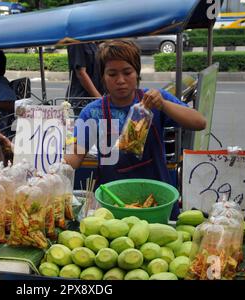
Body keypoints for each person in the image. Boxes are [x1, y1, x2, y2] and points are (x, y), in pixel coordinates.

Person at [64, 40, 206, 219]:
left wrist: (163, 105)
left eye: (127, 72)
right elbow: (76, 157)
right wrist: (45, 165)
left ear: (137, 73)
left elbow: (199, 122)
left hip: (157, 201)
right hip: (113, 206)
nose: (120, 80)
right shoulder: (92, 112)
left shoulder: (155, 101)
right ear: (103, 77)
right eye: (112, 74)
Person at [66, 42, 105, 114]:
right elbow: (81, 73)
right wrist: (100, 99)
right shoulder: (77, 41)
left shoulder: (93, 41)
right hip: (84, 100)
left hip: (97, 99)